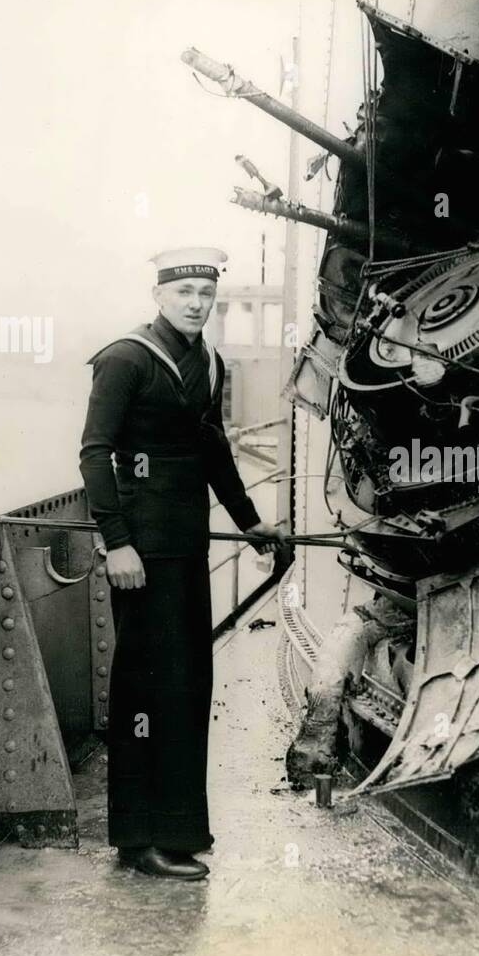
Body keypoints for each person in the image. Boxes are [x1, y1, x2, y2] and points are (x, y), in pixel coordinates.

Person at [79, 247, 282, 880]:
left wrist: (250, 524)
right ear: (159, 296)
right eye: (185, 292)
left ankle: (180, 829)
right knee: (147, 688)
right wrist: (117, 542)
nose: (196, 303)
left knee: (188, 686)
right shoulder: (125, 359)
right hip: (142, 552)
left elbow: (212, 450)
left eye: (205, 292)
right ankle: (139, 842)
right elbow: (94, 455)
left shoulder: (208, 361)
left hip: (187, 545)